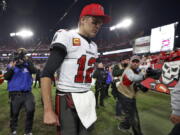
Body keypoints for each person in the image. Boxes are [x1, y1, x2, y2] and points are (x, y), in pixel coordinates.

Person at [41, 3, 110, 135]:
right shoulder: (66, 36)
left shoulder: (94, 46)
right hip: (67, 97)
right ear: (82, 19)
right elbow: (47, 73)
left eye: (100, 24)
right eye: (94, 22)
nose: (97, 26)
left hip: (86, 95)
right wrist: (48, 110)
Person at [4, 48, 36, 135]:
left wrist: (27, 62)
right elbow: (6, 77)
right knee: (14, 114)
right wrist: (13, 66)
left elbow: (34, 71)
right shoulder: (11, 66)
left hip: (27, 93)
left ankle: (28, 131)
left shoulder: (28, 65)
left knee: (30, 110)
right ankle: (13, 130)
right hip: (15, 94)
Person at [116, 55, 146, 135]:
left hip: (130, 95)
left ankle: (123, 126)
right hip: (124, 95)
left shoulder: (137, 70)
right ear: (130, 62)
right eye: (133, 61)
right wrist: (144, 75)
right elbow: (134, 78)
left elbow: (139, 84)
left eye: (137, 62)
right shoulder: (128, 70)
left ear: (139, 63)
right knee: (134, 116)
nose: (135, 63)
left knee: (130, 114)